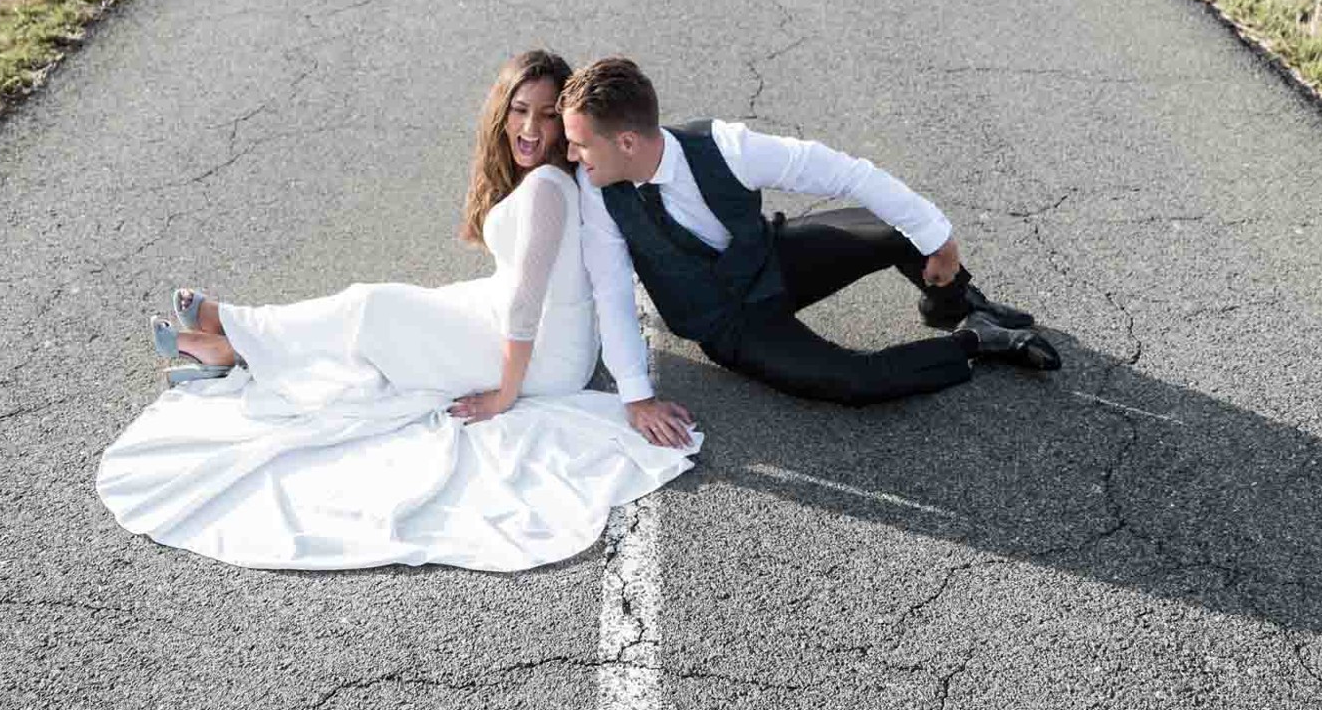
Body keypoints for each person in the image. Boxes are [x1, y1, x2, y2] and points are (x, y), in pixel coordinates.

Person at [95, 51, 699, 572]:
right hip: (511, 321)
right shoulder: (538, 182)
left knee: (370, 310)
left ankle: (232, 327)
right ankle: (232, 348)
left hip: (542, 354)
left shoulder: (546, 189)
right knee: (384, 314)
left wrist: (504, 396)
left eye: (546, 115)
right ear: (501, 110)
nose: (531, 127)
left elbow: (525, 307)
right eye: (519, 109)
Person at [559, 56, 1059, 442]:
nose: (570, 156)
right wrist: (637, 397)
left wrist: (940, 239)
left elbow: (848, 174)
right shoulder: (598, 192)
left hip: (772, 260)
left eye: (579, 144)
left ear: (626, 142)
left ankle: (954, 303)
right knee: (851, 382)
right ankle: (979, 340)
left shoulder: (727, 148)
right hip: (729, 323)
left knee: (900, 227)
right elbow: (612, 294)